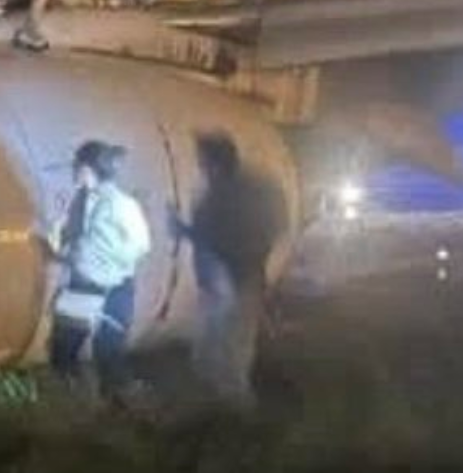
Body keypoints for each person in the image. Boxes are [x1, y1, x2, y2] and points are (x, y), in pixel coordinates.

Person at [173, 131, 287, 408]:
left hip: (234, 279)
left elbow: (215, 235)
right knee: (217, 344)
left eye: (201, 159)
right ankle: (216, 402)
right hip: (234, 279)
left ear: (214, 161)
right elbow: (275, 227)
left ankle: (235, 409)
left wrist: (183, 230)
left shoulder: (231, 192)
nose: (199, 165)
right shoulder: (248, 187)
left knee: (230, 348)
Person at [42, 140, 153, 395]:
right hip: (81, 285)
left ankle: (118, 401)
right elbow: (69, 239)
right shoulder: (79, 201)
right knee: (63, 348)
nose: (74, 172)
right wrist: (59, 240)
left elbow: (141, 244)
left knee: (109, 350)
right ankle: (70, 397)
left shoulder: (121, 204)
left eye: (77, 166)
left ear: (88, 169)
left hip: (113, 288)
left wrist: (106, 262)